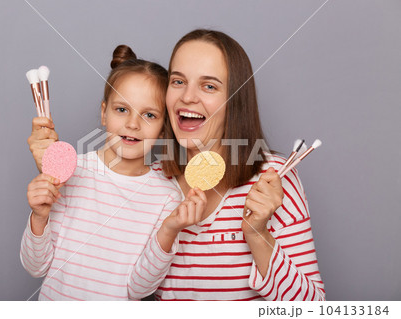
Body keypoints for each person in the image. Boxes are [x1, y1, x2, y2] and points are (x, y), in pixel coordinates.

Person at [28, 29, 325, 301]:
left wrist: (258, 234)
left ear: (234, 100)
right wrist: (54, 180)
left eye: (208, 86)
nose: (188, 96)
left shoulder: (273, 178)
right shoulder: (153, 183)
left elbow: (314, 308)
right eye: (178, 81)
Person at [20, 45, 206, 300]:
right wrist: (39, 217)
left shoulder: (167, 196)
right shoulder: (70, 172)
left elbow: (139, 289)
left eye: (149, 115)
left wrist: (169, 229)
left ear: (164, 130)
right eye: (122, 109)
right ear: (103, 113)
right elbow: (35, 267)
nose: (133, 123)